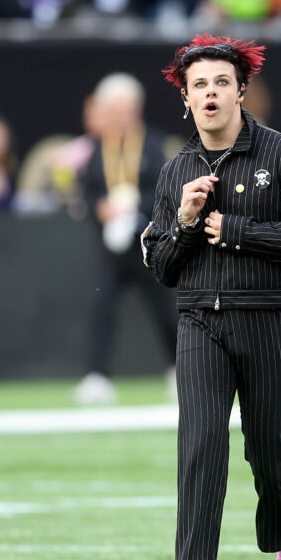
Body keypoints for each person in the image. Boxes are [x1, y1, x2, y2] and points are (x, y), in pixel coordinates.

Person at [141, 35, 281, 560]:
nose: (211, 94)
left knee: (270, 456)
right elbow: (163, 266)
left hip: (269, 321)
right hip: (200, 321)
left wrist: (233, 230)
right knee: (200, 450)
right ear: (185, 97)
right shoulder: (176, 170)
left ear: (240, 90)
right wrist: (183, 224)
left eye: (221, 82)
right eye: (199, 84)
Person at [74, 73, 177, 406]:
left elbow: (165, 190)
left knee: (165, 309)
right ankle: (97, 376)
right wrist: (101, 207)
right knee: (101, 308)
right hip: (111, 247)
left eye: (127, 108)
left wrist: (136, 204)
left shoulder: (153, 142)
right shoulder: (96, 148)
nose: (122, 115)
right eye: (115, 109)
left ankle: (179, 370)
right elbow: (87, 194)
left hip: (148, 244)